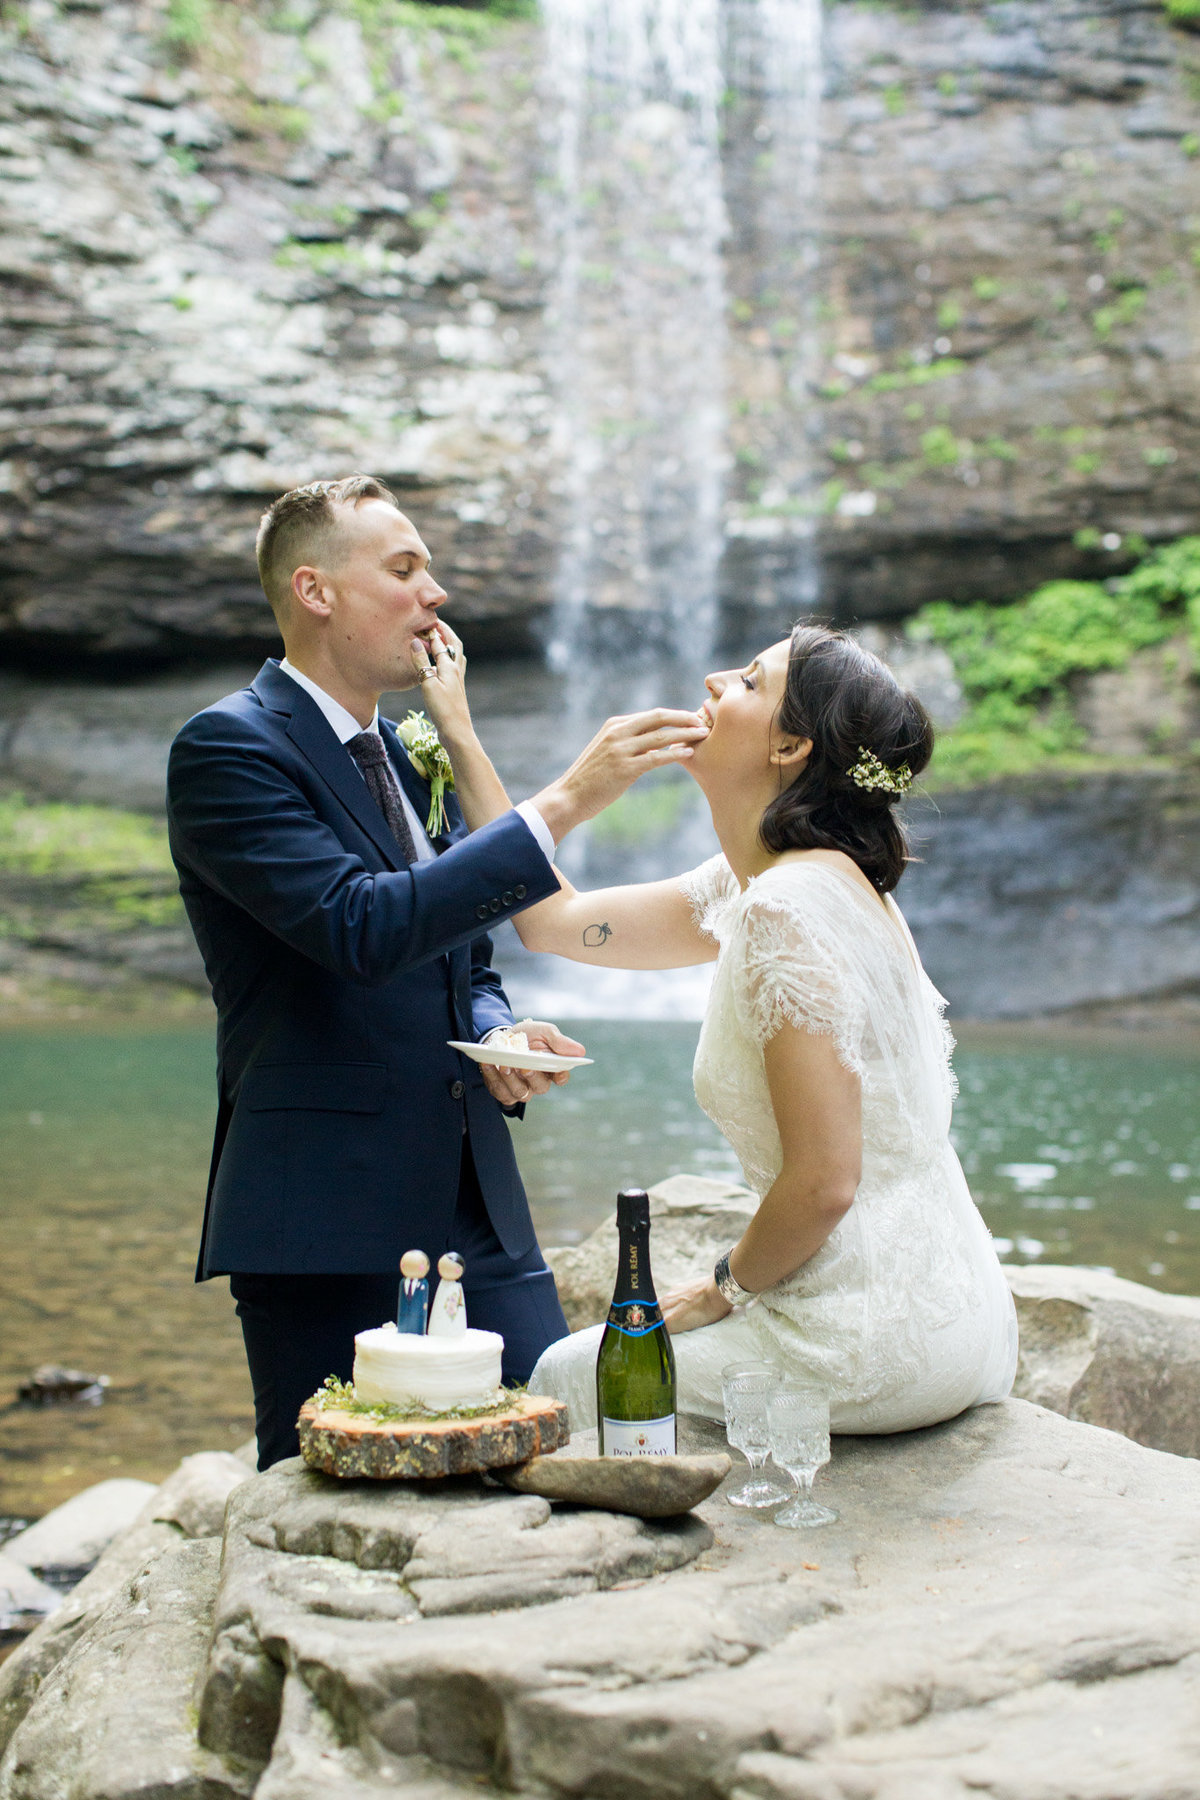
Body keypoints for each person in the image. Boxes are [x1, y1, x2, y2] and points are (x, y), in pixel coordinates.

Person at [166, 474, 708, 1467]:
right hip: (325, 1213)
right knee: (330, 1490)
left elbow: (463, 953)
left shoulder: (404, 753)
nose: (438, 594)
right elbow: (359, 929)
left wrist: (496, 1030)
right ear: (316, 589)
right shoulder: (229, 749)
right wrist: (569, 800)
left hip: (477, 1203)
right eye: (406, 569)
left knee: (559, 1449)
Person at [413, 621, 1018, 1433]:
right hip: (958, 1304)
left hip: (876, 1336)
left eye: (748, 683)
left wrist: (720, 1289)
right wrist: (460, 733)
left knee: (566, 1371)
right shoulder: (772, 881)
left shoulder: (785, 906)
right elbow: (554, 922)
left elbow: (825, 1181)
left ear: (791, 746)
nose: (712, 680)